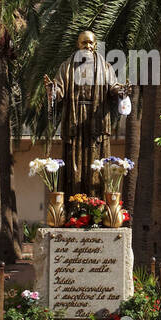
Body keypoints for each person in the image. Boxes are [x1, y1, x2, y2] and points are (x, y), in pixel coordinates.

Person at [45, 30, 131, 197]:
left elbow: (112, 87)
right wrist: (52, 89)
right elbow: (59, 91)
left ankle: (96, 202)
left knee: (96, 159)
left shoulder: (105, 67)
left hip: (96, 119)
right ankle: (74, 202)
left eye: (90, 43)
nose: (87, 46)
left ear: (95, 45)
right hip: (74, 118)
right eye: (84, 43)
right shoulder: (67, 66)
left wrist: (121, 90)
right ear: (78, 45)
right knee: (73, 161)